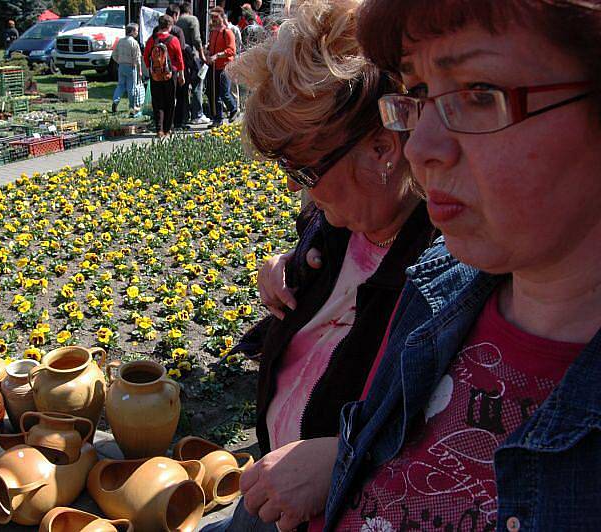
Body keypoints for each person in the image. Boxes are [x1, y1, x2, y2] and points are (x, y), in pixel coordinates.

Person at [240, 0, 601, 530]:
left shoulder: (425, 269)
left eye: (479, 93)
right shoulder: (441, 289)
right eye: (420, 95)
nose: (420, 146)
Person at [201, 1, 435, 530]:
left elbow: (452, 437)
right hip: (277, 494)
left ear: (381, 150)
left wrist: (340, 459)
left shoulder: (442, 269)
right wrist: (280, 268)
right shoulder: (335, 224)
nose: (291, 185)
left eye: (303, 168)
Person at [144, 15, 185, 137]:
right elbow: (179, 59)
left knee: (157, 102)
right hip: (170, 74)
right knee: (170, 101)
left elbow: (146, 56)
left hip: (155, 74)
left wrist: (150, 69)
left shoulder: (152, 39)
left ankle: (159, 129)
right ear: (170, 26)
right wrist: (181, 74)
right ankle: (167, 128)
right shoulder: (173, 40)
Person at [177, 1, 211, 125]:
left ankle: (184, 115)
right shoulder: (192, 19)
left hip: (180, 58)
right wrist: (202, 55)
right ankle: (197, 114)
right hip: (192, 56)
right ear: (190, 10)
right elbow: (196, 39)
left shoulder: (176, 21)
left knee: (184, 87)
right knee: (197, 84)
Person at [206, 8, 238, 127]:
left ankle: (233, 108)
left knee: (223, 93)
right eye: (212, 17)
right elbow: (211, 47)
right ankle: (217, 119)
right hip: (213, 66)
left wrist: (217, 55)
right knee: (212, 94)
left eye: (216, 17)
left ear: (222, 18)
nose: (213, 20)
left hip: (224, 66)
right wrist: (207, 52)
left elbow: (231, 50)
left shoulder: (227, 32)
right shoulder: (213, 32)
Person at [166, 3, 192, 128]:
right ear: (176, 15)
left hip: (162, 69)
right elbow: (181, 50)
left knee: (166, 96)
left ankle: (165, 122)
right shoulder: (177, 31)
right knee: (181, 96)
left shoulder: (157, 30)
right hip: (176, 68)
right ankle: (179, 122)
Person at [111, 23, 142, 116]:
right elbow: (137, 58)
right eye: (136, 30)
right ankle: (132, 106)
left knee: (120, 85)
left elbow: (114, 54)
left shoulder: (120, 41)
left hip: (121, 65)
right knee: (131, 87)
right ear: (132, 31)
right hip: (131, 66)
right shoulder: (134, 42)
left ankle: (115, 101)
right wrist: (139, 70)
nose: (137, 32)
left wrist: (119, 61)